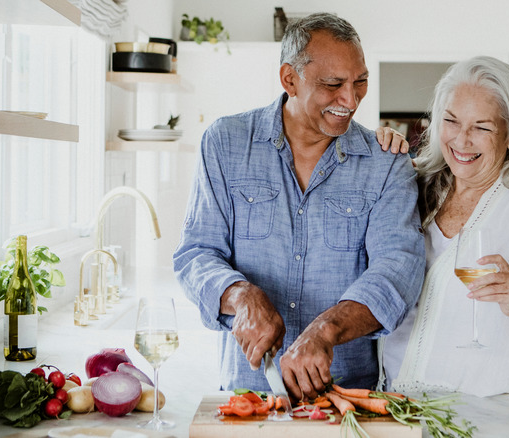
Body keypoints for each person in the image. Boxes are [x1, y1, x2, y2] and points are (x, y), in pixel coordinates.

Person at [173, 13, 425, 401]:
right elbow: (196, 254)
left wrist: (325, 330)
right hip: (247, 394)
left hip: (345, 399)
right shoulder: (225, 143)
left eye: (360, 82)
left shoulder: (386, 162)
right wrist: (240, 296)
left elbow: (397, 271)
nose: (351, 100)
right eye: (333, 84)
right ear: (289, 79)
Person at [381, 56, 509, 397]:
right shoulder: (416, 185)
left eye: (482, 127)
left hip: (476, 415)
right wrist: (378, 151)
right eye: (451, 121)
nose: (461, 140)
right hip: (395, 402)